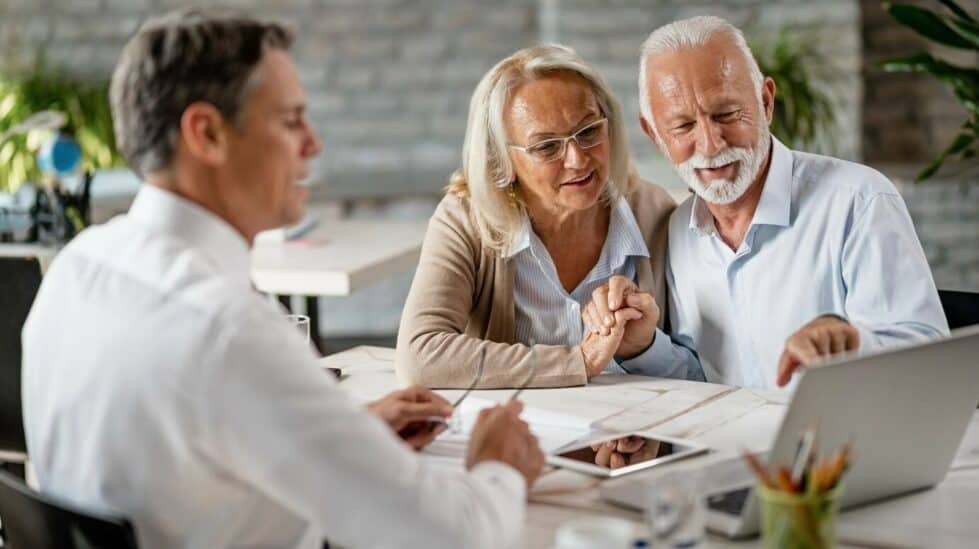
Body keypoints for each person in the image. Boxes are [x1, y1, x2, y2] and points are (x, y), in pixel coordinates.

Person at [21, 11, 543, 549]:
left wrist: (336, 434)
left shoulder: (76, 268)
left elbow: (173, 449)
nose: (313, 144)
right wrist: (498, 467)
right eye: (291, 121)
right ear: (206, 134)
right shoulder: (228, 329)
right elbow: (456, 538)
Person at [583, 16, 948, 390]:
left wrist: (851, 343)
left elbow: (931, 362)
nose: (710, 145)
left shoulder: (858, 200)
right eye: (682, 127)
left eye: (726, 114)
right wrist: (643, 346)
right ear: (655, 135)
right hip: (731, 446)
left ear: (766, 102)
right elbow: (705, 379)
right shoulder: (679, 229)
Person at [396, 45, 703, 389]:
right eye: (546, 146)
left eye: (588, 132)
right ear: (503, 162)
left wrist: (643, 348)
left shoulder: (654, 212)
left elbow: (699, 371)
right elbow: (419, 356)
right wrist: (579, 362)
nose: (577, 159)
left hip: (629, 434)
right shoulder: (466, 219)